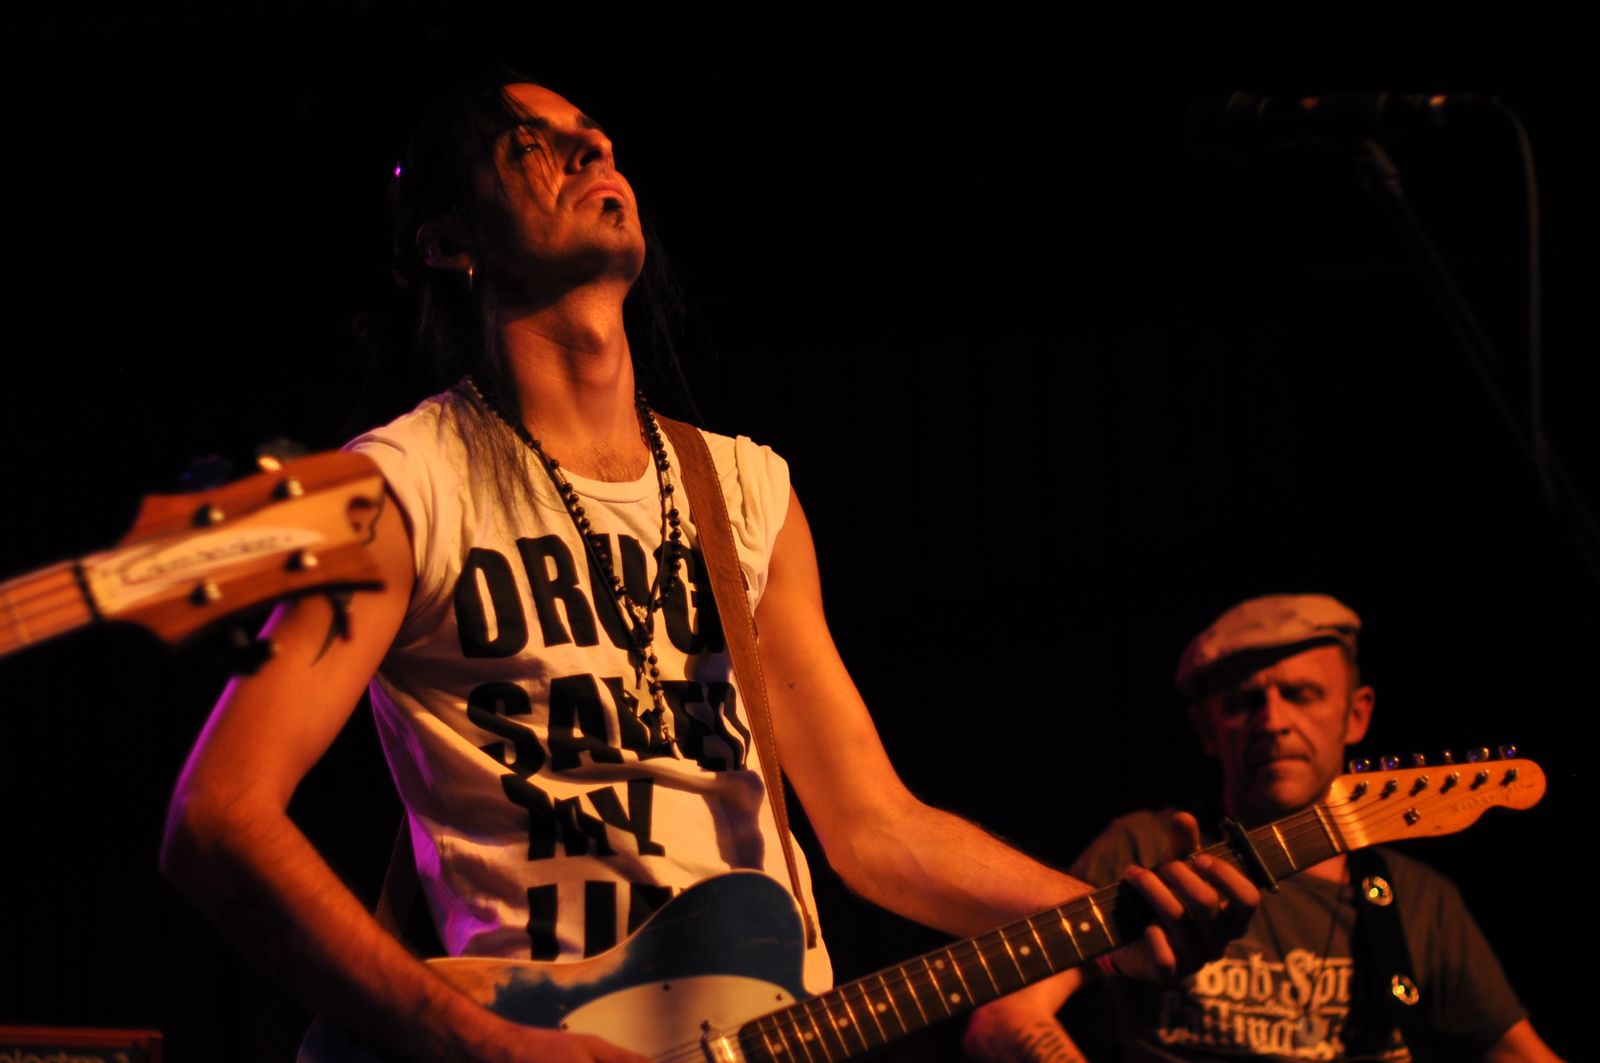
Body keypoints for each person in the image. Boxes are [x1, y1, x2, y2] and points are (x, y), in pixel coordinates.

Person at [157, 71, 1259, 1062]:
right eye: (531, 144)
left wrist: (1106, 913)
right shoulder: (399, 486)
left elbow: (874, 827)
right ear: (450, 243)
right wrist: (472, 1040)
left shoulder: (744, 489)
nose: (592, 149)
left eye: (595, 134)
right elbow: (218, 816)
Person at [965, 593, 1561, 1062]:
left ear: (1356, 715)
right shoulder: (1143, 849)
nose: (1274, 721)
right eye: (1246, 702)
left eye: (1303, 695)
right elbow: (1004, 1018)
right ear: (1207, 729)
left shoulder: (1418, 900)